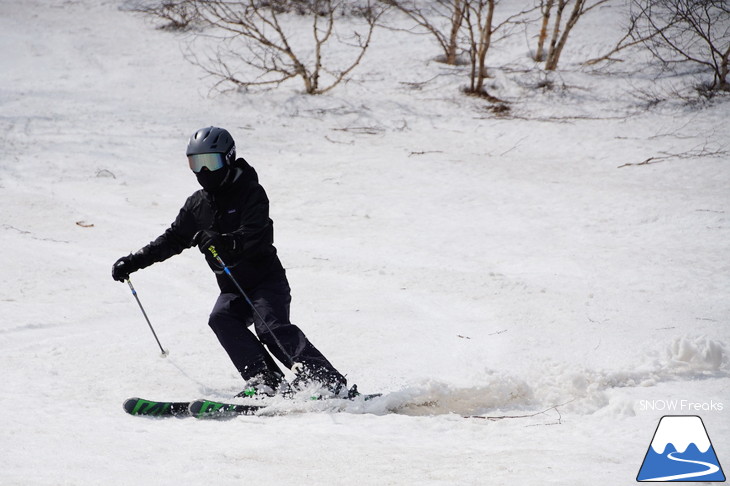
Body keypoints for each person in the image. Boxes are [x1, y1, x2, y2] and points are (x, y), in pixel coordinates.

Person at [112, 126, 347, 398]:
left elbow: (257, 234)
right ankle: (265, 381)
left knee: (270, 328)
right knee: (221, 318)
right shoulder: (197, 205)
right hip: (233, 288)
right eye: (195, 163)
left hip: (265, 281)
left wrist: (225, 241)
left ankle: (327, 381)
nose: (204, 172)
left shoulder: (250, 192)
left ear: (228, 158)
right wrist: (133, 261)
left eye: (210, 162)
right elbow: (172, 239)